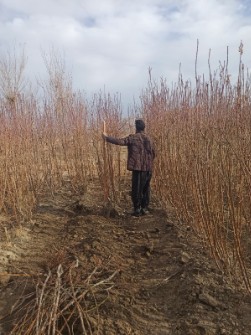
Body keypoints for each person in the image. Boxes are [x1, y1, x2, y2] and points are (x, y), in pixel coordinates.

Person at [102, 119, 155, 217]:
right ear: (144, 127)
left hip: (138, 168)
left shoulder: (133, 138)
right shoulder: (150, 139)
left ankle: (137, 210)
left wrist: (106, 138)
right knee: (146, 188)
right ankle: (144, 208)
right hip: (148, 168)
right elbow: (154, 153)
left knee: (136, 189)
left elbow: (120, 141)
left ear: (136, 127)